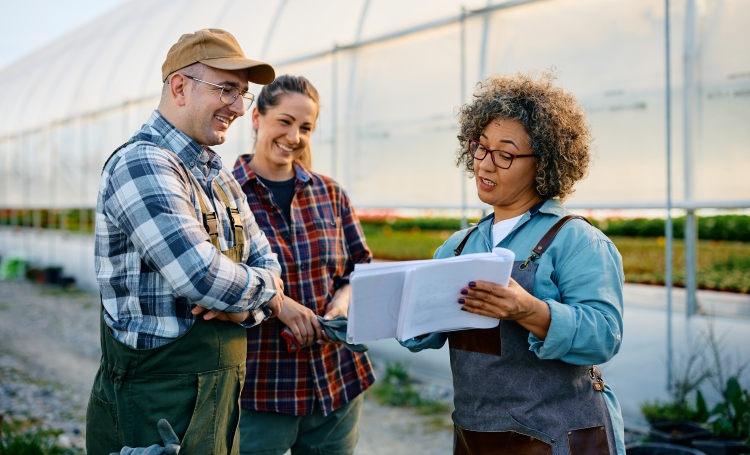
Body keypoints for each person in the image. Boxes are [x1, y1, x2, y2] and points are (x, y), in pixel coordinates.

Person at [402, 71, 626, 454]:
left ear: (546, 164)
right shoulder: (459, 247)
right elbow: (423, 332)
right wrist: (399, 309)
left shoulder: (577, 241)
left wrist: (530, 310)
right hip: (478, 436)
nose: (485, 165)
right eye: (480, 147)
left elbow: (604, 335)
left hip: (560, 437)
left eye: (505, 154)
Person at [87, 28, 285, 455]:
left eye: (242, 94)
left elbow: (269, 261)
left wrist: (242, 310)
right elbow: (202, 278)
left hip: (215, 405)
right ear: (180, 87)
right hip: (155, 414)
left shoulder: (219, 176)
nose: (236, 106)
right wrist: (261, 293)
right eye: (227, 90)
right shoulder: (142, 164)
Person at [232, 74, 375, 455]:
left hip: (335, 382)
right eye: (285, 121)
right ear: (256, 118)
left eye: (306, 127)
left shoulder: (330, 193)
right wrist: (281, 308)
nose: (294, 136)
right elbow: (218, 282)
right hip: (262, 390)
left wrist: (341, 304)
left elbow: (359, 267)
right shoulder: (226, 196)